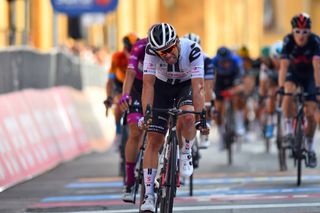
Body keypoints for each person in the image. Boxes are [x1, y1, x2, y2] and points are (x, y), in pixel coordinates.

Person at [140, 23, 209, 212]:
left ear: (177, 41)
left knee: (187, 116)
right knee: (154, 139)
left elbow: (199, 88)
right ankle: (148, 195)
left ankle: (185, 151)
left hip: (185, 85)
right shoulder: (150, 51)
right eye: (163, 53)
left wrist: (200, 117)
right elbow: (148, 85)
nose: (168, 55)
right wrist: (147, 113)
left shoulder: (193, 50)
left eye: (170, 49)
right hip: (161, 87)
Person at [279, 13, 320, 168]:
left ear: (310, 32)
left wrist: (317, 89)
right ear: (292, 31)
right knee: (288, 90)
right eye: (297, 31)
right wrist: (281, 87)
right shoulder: (288, 40)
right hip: (294, 73)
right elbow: (283, 65)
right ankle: (289, 130)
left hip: (310, 75)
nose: (301, 36)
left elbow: (317, 67)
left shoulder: (316, 41)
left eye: (305, 32)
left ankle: (310, 147)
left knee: (311, 112)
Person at [119, 37, 148, 202]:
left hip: (158, 88)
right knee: (135, 130)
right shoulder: (139, 47)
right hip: (138, 88)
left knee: (155, 131)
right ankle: (129, 181)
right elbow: (129, 73)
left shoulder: (169, 51)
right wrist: (125, 94)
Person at [104, 33, 139, 147]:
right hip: (119, 84)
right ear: (125, 48)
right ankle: (118, 131)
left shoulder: (140, 55)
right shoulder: (117, 57)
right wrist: (109, 97)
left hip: (135, 84)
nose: (133, 51)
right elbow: (110, 80)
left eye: (135, 48)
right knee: (119, 103)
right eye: (130, 48)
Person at [183, 32, 214, 148]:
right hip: (186, 84)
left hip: (202, 83)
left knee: (205, 100)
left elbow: (207, 84)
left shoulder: (206, 60)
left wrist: (206, 103)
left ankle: (204, 131)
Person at [212, 47, 245, 149]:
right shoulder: (213, 62)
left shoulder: (237, 61)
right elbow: (210, 80)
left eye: (227, 62)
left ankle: (239, 124)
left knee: (237, 97)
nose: (225, 64)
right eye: (222, 62)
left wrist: (234, 90)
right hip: (220, 82)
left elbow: (241, 81)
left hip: (233, 80)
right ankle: (221, 135)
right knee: (217, 110)